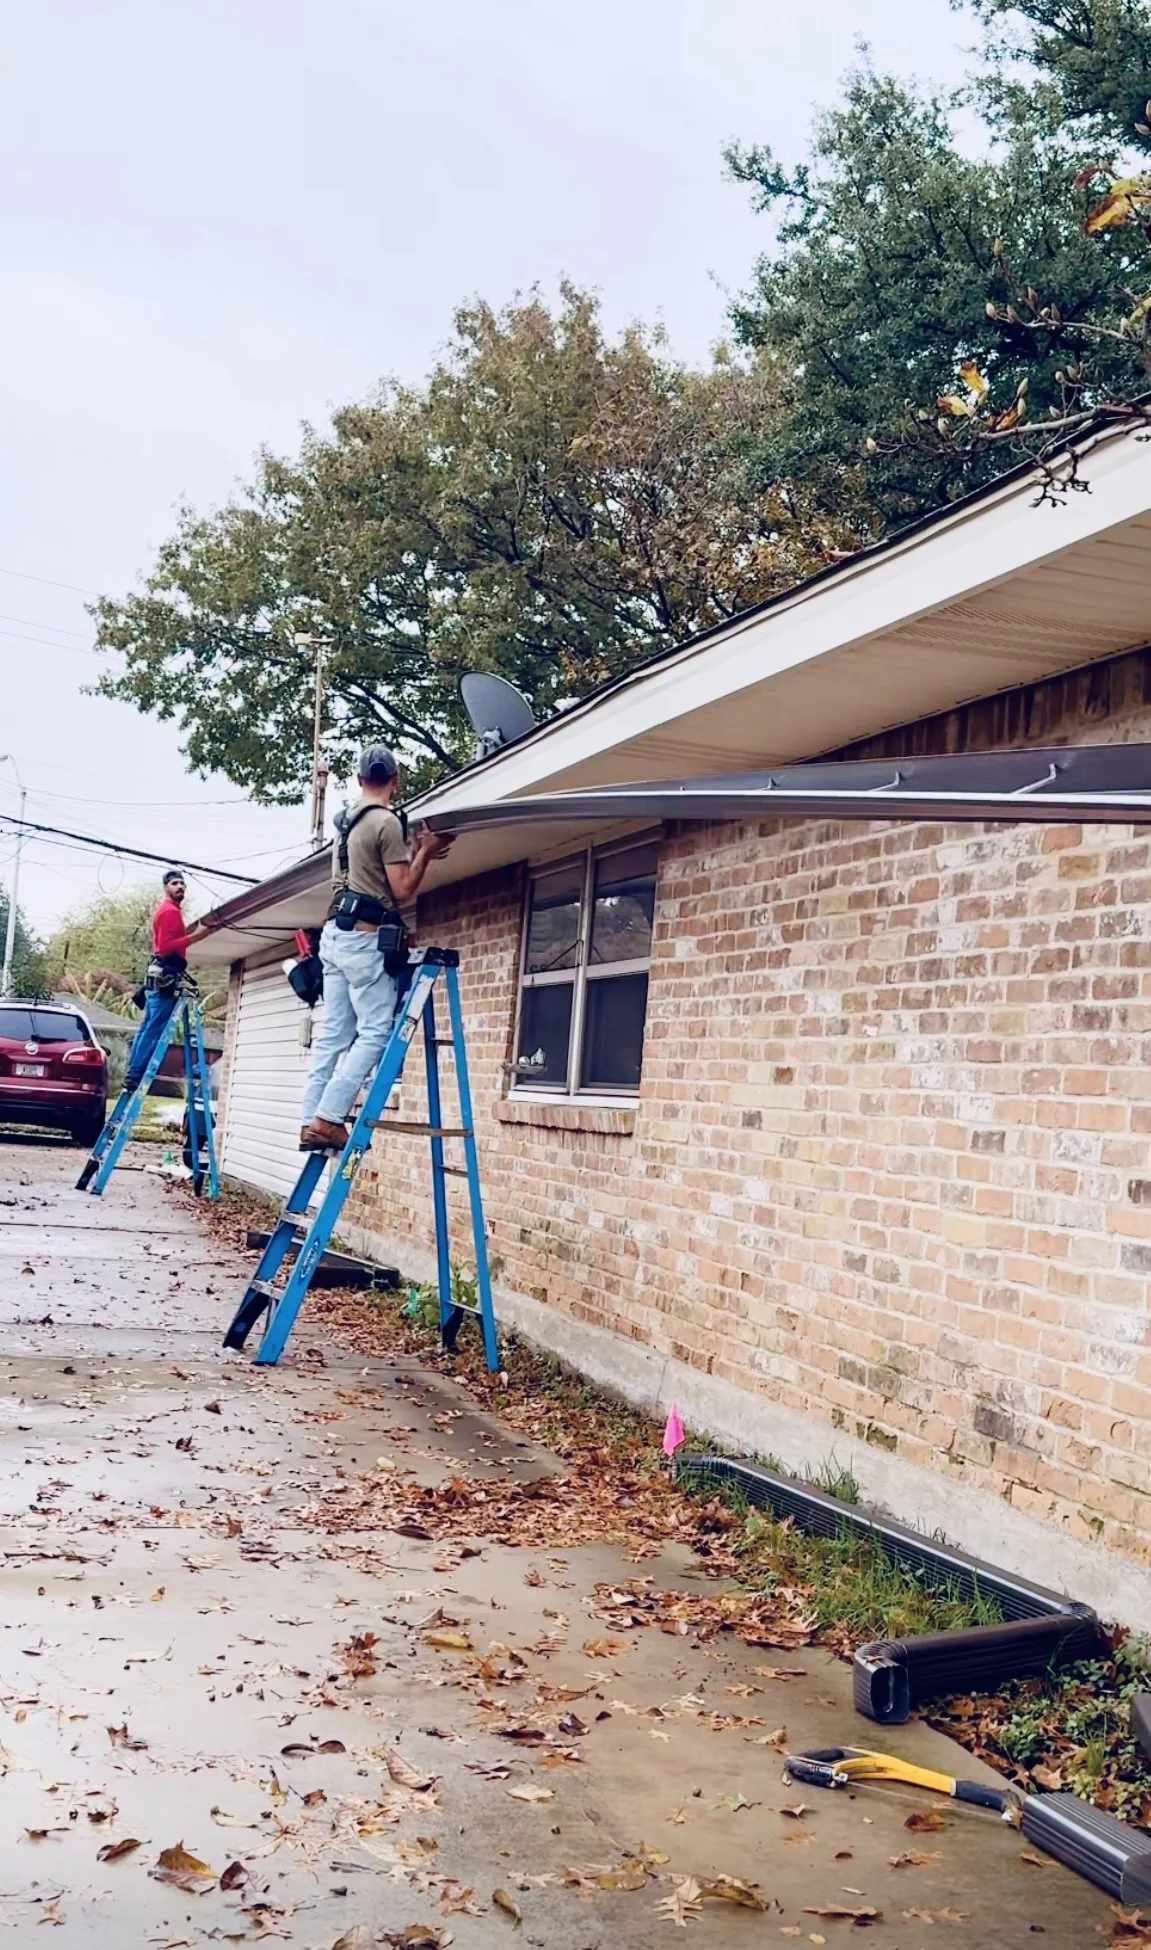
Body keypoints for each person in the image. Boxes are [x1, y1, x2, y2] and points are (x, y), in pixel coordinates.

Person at [299, 744, 452, 1152]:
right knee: (375, 1032)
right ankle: (328, 1118)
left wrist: (416, 851)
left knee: (333, 1034)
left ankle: (308, 1120)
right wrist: (425, 853)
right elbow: (401, 891)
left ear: (359, 779)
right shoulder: (384, 823)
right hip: (364, 938)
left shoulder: (345, 822)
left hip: (334, 934)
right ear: (395, 780)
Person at [125, 869, 191, 1091]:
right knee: (153, 1028)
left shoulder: (167, 911)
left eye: (182, 883)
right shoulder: (170, 911)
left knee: (147, 1027)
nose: (180, 886)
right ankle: (135, 1075)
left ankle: (132, 1072)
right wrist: (196, 936)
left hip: (157, 973)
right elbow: (165, 947)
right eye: (175, 883)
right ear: (166, 887)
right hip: (164, 973)